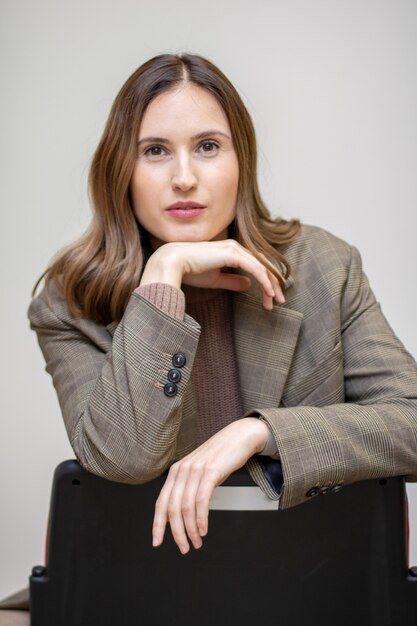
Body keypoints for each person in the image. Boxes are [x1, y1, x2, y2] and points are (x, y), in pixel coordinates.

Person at [26, 53, 417, 560]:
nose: (184, 177)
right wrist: (164, 274)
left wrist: (261, 432)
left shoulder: (325, 268)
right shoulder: (68, 302)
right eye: (155, 151)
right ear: (121, 169)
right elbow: (126, 458)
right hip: (145, 591)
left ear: (242, 162)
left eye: (208, 146)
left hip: (307, 583)